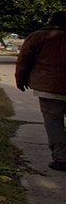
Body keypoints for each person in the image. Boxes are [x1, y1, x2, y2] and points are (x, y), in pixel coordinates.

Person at [16, 11, 66, 171]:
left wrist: (20, 79)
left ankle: (61, 158)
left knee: (54, 123)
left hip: (48, 87)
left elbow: (24, 60)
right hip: (50, 85)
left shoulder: (39, 36)